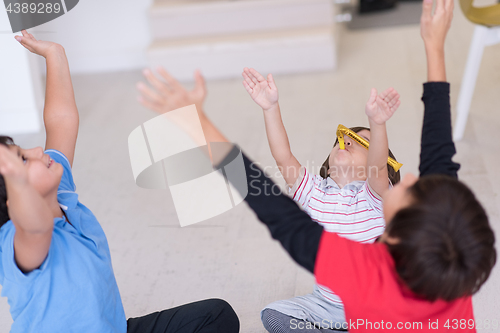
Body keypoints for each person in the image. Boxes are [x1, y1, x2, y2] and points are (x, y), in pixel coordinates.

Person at [137, 0, 496, 330]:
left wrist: (196, 123)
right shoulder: (449, 267)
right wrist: (434, 45)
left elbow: (275, 210)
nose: (414, 176)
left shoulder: (363, 272)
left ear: (395, 236)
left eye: (408, 190)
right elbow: (439, 152)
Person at [0, 31, 239, 333]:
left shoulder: (58, 193)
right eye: (22, 160)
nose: (37, 151)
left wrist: (54, 54)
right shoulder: (15, 243)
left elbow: (61, 120)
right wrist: (14, 173)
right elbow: (34, 225)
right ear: (12, 196)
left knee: (217, 316)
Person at [241, 64, 401, 331]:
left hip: (375, 306)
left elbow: (378, 167)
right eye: (342, 139)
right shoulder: (314, 191)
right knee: (274, 314)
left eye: (362, 142)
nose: (346, 141)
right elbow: (283, 156)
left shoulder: (375, 196)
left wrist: (377, 123)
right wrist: (270, 109)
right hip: (325, 304)